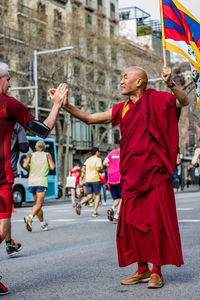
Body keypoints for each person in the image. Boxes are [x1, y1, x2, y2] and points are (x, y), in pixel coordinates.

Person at [59, 65, 189, 288]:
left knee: (156, 222)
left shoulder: (158, 99)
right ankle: (142, 269)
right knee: (131, 224)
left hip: (154, 173)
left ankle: (157, 270)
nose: (121, 81)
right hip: (131, 176)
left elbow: (183, 102)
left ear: (139, 82)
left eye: (125, 77)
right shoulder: (123, 109)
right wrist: (66, 105)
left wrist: (170, 83)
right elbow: (90, 118)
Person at [0, 62, 67, 295]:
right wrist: (57, 104)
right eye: (8, 79)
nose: (10, 83)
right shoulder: (10, 104)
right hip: (2, 176)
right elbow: (43, 130)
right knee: (3, 222)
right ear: (1, 80)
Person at [5, 123, 29, 257]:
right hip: (5, 174)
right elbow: (25, 147)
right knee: (5, 215)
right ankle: (9, 245)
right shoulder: (15, 124)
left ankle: (9, 243)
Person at [23, 140, 55, 232]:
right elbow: (52, 167)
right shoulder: (47, 155)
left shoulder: (30, 155)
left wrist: (30, 168)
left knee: (37, 205)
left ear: (36, 147)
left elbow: (25, 165)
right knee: (39, 204)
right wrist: (49, 162)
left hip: (32, 182)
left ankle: (43, 224)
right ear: (44, 148)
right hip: (41, 181)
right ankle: (30, 217)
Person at [75, 147, 103, 217]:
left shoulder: (88, 160)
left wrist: (87, 173)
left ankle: (79, 204)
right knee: (97, 195)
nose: (99, 153)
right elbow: (98, 168)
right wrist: (101, 170)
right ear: (96, 152)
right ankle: (94, 212)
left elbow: (83, 169)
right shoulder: (98, 159)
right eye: (98, 152)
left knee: (89, 196)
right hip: (95, 179)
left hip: (88, 180)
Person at [103, 148, 121, 224]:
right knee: (123, 198)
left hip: (111, 178)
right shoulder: (123, 152)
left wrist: (112, 165)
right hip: (119, 177)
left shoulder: (112, 153)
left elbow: (104, 163)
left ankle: (112, 209)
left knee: (117, 198)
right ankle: (116, 216)